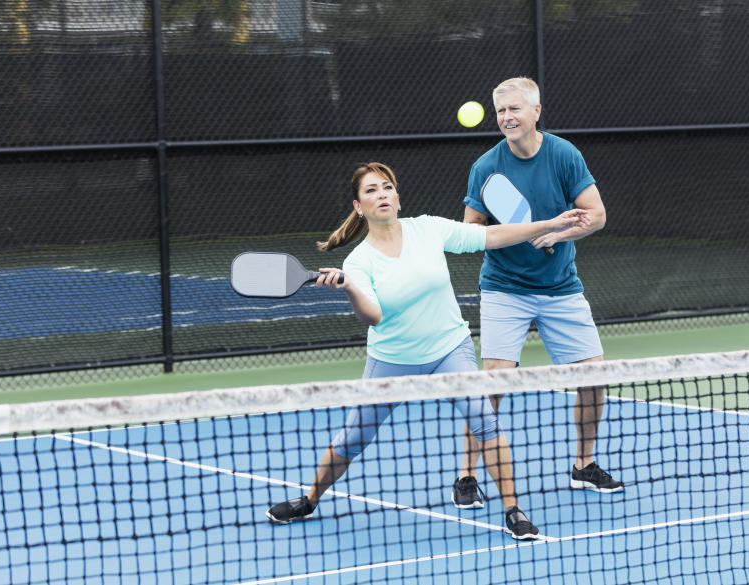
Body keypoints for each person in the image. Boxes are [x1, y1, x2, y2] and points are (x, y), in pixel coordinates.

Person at [265, 162, 592, 540]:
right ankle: (309, 499)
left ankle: (513, 509)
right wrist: (349, 286)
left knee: (485, 421)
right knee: (354, 437)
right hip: (393, 359)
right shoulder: (358, 261)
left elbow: (493, 236)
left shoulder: (428, 229)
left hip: (449, 348)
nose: (381, 194)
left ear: (398, 198)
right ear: (358, 206)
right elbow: (373, 316)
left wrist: (550, 225)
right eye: (371, 191)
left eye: (387, 187)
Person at [451, 77, 624, 510]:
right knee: (491, 385)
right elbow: (470, 231)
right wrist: (517, 233)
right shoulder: (486, 167)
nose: (507, 118)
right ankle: (467, 474)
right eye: (501, 112)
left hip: (561, 287)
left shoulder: (564, 155)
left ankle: (583, 464)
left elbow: (597, 215)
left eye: (515, 110)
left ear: (536, 112)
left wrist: (558, 232)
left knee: (593, 379)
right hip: (505, 288)